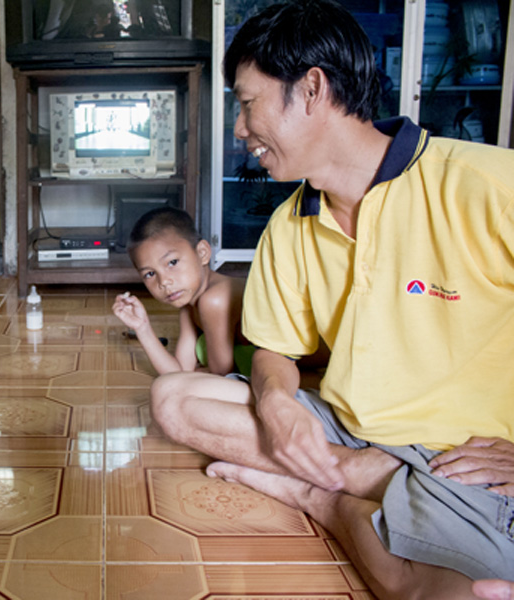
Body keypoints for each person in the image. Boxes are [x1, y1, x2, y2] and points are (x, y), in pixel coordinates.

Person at [149, 1, 514, 598]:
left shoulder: (488, 187)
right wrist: (277, 407)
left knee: (455, 593)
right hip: (345, 430)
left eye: (247, 103)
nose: (240, 129)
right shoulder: (290, 224)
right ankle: (371, 478)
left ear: (312, 89)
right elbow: (271, 352)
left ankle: (324, 495)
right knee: (175, 400)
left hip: (463, 456)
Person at [112, 206, 252, 376]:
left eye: (172, 262)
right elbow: (178, 372)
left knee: (168, 392)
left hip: (279, 378)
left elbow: (222, 374)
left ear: (202, 253)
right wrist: (142, 327)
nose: (164, 282)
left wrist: (197, 373)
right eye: (150, 274)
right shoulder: (189, 306)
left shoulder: (215, 299)